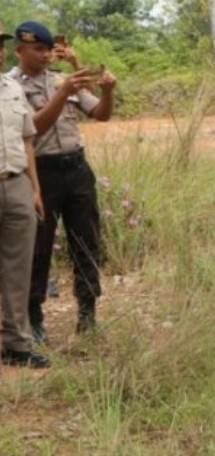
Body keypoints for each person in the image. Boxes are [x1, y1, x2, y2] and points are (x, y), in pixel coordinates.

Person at [8, 20, 117, 343]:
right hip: (41, 172)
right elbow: (34, 129)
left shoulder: (62, 80)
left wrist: (108, 91)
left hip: (76, 169)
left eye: (47, 49)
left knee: (86, 241)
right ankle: (34, 314)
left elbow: (100, 113)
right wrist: (63, 93)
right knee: (38, 247)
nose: (44, 55)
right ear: (19, 50)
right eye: (37, 49)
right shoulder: (10, 87)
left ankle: (87, 311)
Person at [0, 25, 50, 368]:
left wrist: (34, 189)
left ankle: (16, 344)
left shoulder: (11, 88)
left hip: (16, 182)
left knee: (19, 268)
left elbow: (27, 140)